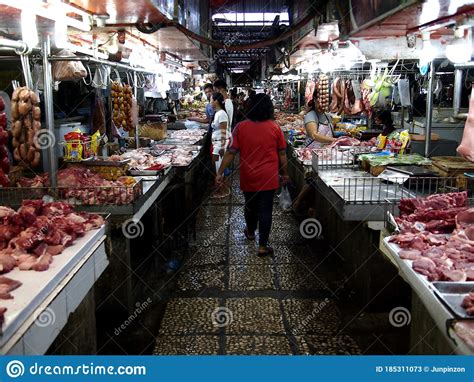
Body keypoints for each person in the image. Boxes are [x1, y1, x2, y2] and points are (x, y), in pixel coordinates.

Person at [216, 94, 289, 256]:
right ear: (269, 109)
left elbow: (231, 152)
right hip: (269, 177)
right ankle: (262, 246)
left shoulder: (241, 127)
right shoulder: (275, 127)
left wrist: (220, 172)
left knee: (249, 205)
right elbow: (282, 154)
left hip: (249, 175)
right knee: (265, 210)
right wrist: (285, 174)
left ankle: (250, 231)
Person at [211, 92, 231, 198]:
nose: (210, 102)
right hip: (217, 143)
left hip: (220, 144)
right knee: (217, 167)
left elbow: (224, 131)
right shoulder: (218, 113)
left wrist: (223, 147)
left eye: (211, 100)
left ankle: (222, 191)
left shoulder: (222, 114)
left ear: (216, 101)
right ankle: (220, 189)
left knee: (219, 169)